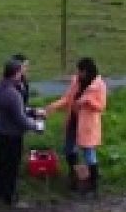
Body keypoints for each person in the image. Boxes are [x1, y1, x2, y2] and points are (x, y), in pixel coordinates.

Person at [45, 57, 106, 197]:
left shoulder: (99, 85)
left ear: (86, 71)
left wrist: (88, 101)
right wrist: (52, 107)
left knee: (88, 153)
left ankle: (93, 184)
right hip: (73, 122)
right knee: (68, 150)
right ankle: (76, 175)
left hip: (87, 125)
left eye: (80, 71)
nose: (77, 73)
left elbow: (101, 106)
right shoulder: (76, 81)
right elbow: (67, 98)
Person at [0, 56, 44, 209]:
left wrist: (33, 111)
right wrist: (36, 125)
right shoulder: (12, 93)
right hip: (11, 135)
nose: (24, 73)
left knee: (2, 164)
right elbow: (20, 118)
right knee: (12, 167)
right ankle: (10, 198)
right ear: (16, 73)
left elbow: (16, 110)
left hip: (0, 132)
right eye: (22, 70)